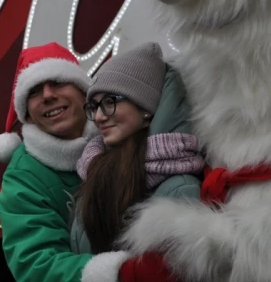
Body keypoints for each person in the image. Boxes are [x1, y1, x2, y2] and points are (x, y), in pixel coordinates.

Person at [0, 42, 137, 282]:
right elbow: (37, 263)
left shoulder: (123, 138)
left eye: (58, 82)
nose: (48, 95)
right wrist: (122, 273)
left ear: (84, 93)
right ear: (27, 113)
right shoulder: (23, 178)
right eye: (34, 91)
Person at [70, 42, 205, 279]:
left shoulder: (179, 186)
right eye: (94, 106)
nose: (99, 116)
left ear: (146, 107)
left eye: (110, 102)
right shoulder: (93, 169)